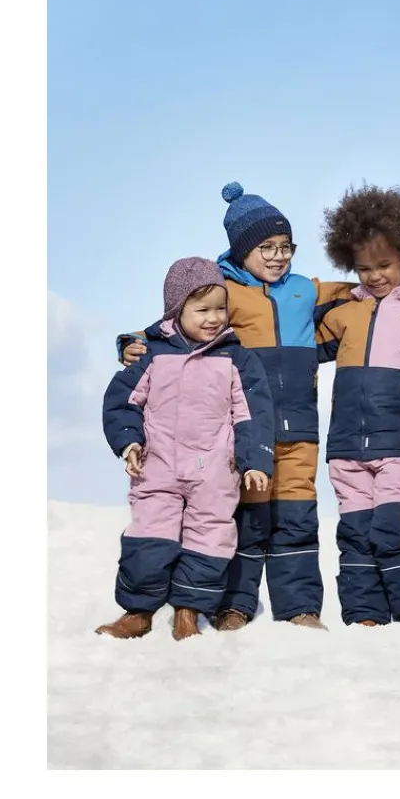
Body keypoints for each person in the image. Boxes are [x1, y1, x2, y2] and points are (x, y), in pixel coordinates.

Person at [117, 183, 351, 630]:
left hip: (299, 426)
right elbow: (172, 324)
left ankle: (300, 607)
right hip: (242, 429)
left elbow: (362, 290)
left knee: (297, 518)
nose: (278, 256)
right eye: (267, 247)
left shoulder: (305, 289)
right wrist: (130, 343)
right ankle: (234, 605)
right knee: (244, 518)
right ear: (242, 250)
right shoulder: (222, 290)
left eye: (286, 246)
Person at [96, 257, 275, 641]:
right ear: (177, 310)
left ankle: (188, 613)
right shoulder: (152, 354)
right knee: (148, 538)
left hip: (215, 471)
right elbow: (123, 402)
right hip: (157, 466)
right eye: (202, 310)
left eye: (220, 308)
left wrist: (254, 460)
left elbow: (253, 414)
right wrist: (129, 442)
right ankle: (137, 612)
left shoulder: (236, 358)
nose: (214, 318)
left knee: (209, 540)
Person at [317, 183, 400, 627]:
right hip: (345, 448)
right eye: (363, 268)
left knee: (392, 531)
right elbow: (293, 345)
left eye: (384, 265)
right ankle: (365, 617)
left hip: (398, 445)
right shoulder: (344, 313)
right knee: (355, 535)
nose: (374, 276)